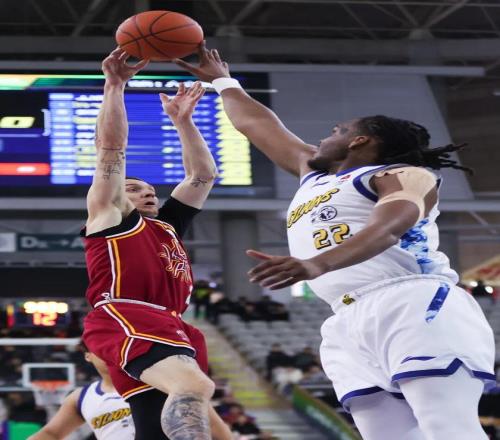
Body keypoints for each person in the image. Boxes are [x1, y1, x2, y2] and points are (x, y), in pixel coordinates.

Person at [176, 43, 496, 440]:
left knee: (446, 427)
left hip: (413, 301)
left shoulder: (406, 175)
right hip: (345, 317)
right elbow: (257, 125)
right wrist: (224, 83)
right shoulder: (314, 177)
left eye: (336, 131)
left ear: (359, 141)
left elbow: (391, 226)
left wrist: (317, 263)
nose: (326, 138)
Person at [81, 48, 232, 440]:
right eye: (134, 188)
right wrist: (115, 86)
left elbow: (202, 175)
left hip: (172, 321)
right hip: (125, 313)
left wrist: (183, 121)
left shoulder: (167, 226)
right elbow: (110, 150)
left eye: (150, 190)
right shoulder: (110, 217)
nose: (147, 193)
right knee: (194, 387)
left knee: (156, 422)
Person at [28, 350, 134, 440]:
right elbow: (51, 433)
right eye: (100, 349)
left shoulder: (144, 384)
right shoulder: (81, 396)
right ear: (88, 356)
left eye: (112, 348)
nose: (108, 354)